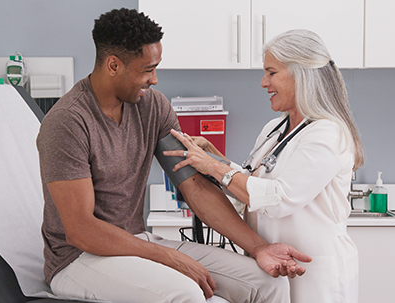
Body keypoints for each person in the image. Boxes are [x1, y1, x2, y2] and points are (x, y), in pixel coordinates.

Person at [36, 8, 312, 303]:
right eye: (146, 70)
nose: (154, 79)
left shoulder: (152, 106)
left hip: (135, 242)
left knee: (267, 284)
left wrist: (259, 248)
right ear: (113, 65)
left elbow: (193, 185)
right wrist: (168, 257)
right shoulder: (67, 122)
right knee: (185, 292)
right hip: (78, 260)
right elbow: (81, 231)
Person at [164, 29, 362, 303]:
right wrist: (215, 157)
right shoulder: (275, 129)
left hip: (315, 270)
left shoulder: (328, 133)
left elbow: (280, 197)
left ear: (300, 74)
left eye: (271, 73)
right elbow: (253, 183)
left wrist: (214, 166)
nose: (262, 82)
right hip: (274, 265)